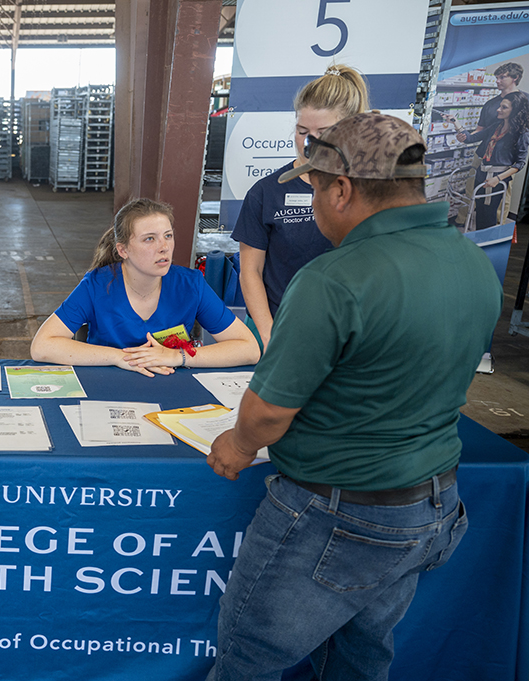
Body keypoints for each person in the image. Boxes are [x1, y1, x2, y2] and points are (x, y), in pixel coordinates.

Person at [205, 114, 502, 681]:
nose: (313, 207)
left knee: (249, 660)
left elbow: (269, 409)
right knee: (362, 658)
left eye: (314, 189)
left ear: (340, 188)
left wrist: (238, 446)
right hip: (432, 504)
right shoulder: (471, 262)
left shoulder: (336, 278)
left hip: (339, 511)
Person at [30, 198, 259, 375]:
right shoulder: (97, 285)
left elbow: (248, 349)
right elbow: (42, 346)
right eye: (149, 239)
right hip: (107, 387)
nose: (164, 247)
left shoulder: (190, 285)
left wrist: (178, 357)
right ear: (123, 250)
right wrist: (121, 357)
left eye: (168, 236)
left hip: (170, 384)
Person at [232, 65, 369, 352]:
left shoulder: (371, 191)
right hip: (279, 329)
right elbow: (250, 272)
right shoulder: (266, 192)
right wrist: (269, 335)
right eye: (302, 130)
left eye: (324, 132)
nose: (310, 141)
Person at [456, 90, 529, 230]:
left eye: (504, 107)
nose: (498, 109)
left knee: (488, 215)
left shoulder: (522, 134)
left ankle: (485, 245)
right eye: (500, 106)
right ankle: (479, 242)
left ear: (516, 110)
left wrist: (498, 179)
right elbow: (471, 138)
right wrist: (456, 123)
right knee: (479, 211)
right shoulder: (497, 126)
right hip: (482, 173)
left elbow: (519, 164)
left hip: (496, 179)